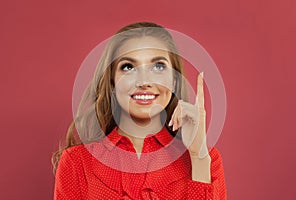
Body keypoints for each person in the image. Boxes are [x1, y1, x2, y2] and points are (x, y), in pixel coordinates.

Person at [52, 22, 226, 199]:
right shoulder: (76, 162)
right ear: (112, 81)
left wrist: (198, 158)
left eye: (158, 67)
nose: (144, 81)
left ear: (174, 80)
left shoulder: (207, 160)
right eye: (128, 67)